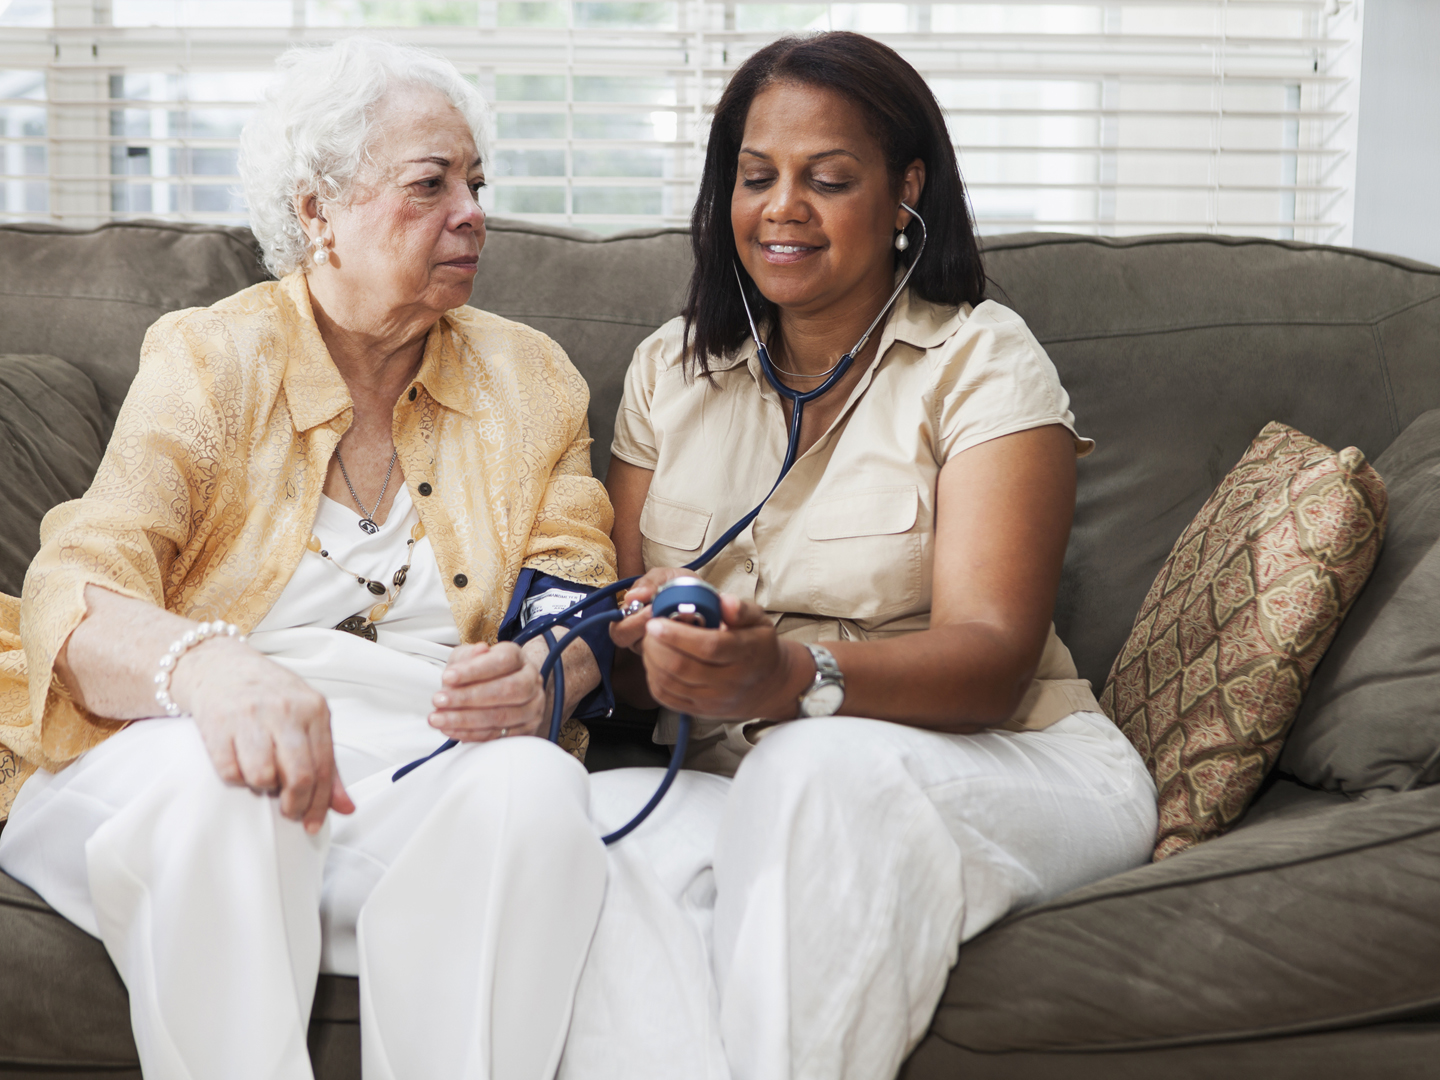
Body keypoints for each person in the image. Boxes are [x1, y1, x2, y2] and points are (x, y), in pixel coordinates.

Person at [0, 38, 618, 1080]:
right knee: (230, 790)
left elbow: (579, 592)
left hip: (420, 756)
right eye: (431, 184)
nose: (472, 211)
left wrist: (550, 673)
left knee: (536, 794)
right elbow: (81, 579)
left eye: (477, 183)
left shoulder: (532, 379)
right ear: (316, 211)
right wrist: (210, 669)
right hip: (185, 742)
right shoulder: (210, 357)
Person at [560, 32, 1159, 1080]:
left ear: (904, 194)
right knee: (593, 823)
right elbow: (618, 648)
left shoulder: (982, 358)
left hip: (1011, 755)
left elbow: (992, 658)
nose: (783, 207)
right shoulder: (672, 368)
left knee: (813, 764)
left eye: (828, 179)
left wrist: (789, 675)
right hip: (734, 772)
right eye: (756, 177)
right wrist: (632, 643)